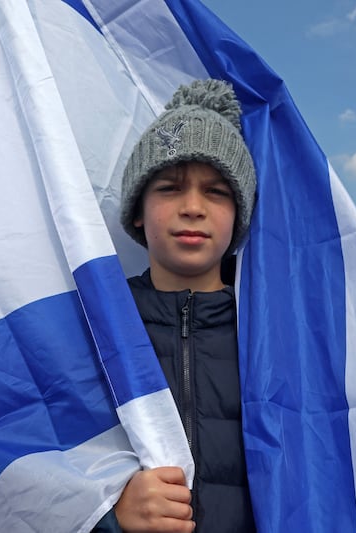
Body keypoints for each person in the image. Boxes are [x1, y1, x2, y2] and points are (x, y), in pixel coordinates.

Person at [93, 79, 257, 533]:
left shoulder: (271, 331)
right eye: (169, 187)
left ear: (239, 216)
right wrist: (112, 515)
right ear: (138, 210)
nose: (192, 207)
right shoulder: (91, 321)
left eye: (217, 192)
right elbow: (41, 451)